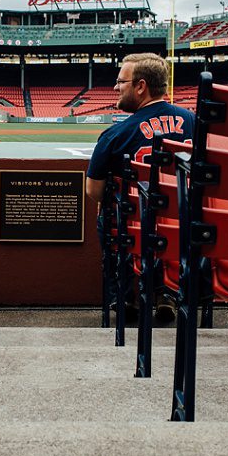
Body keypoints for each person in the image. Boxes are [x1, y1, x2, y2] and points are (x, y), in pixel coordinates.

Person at [85, 53, 195, 323]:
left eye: (121, 81)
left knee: (110, 214)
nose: (115, 87)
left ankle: (123, 295)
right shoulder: (195, 122)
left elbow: (93, 191)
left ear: (140, 86)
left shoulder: (115, 134)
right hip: (185, 225)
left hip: (134, 229)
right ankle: (166, 291)